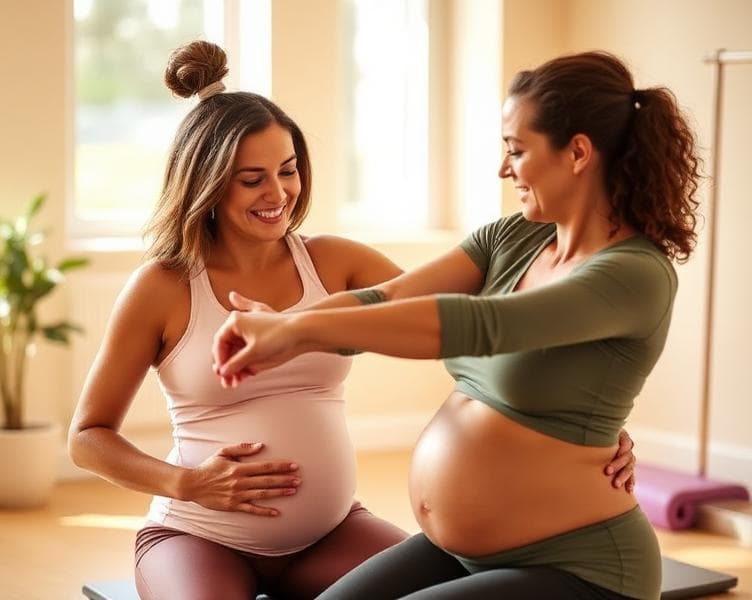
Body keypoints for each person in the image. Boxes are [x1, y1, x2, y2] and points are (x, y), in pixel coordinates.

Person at [68, 41, 637, 600]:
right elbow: (88, 438)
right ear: (207, 183)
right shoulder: (163, 286)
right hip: (198, 532)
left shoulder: (335, 261)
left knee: (463, 587)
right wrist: (187, 484)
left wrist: (583, 427)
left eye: (287, 171)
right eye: (252, 179)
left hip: (330, 533)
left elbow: (469, 330)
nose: (278, 193)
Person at [213, 50, 701, 600]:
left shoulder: (633, 274)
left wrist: (296, 334)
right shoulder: (511, 238)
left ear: (578, 152)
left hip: (579, 570)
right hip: (460, 550)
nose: (504, 168)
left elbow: (481, 324)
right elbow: (386, 296)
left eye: (516, 150)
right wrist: (283, 322)